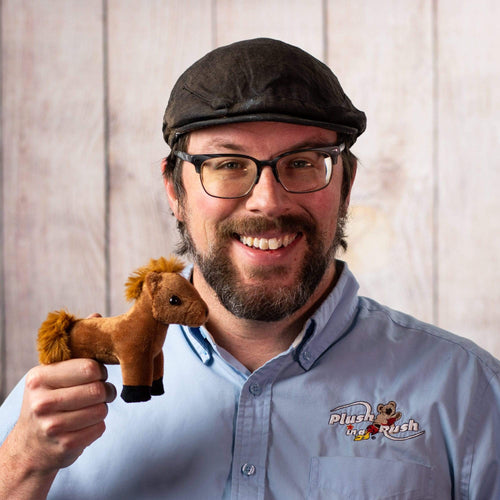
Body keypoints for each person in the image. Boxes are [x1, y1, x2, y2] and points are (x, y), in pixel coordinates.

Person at [0, 37, 499, 500]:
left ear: (345, 186)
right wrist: (22, 464)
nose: (267, 200)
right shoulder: (50, 407)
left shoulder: (469, 391)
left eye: (303, 162)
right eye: (228, 163)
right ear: (175, 190)